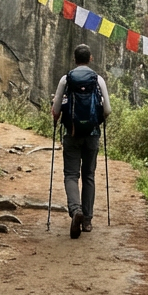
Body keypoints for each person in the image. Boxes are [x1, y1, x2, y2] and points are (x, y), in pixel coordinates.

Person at [51, 44, 111, 238]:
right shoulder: (98, 79)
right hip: (92, 135)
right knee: (89, 176)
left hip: (72, 133)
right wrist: (97, 121)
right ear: (90, 58)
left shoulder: (66, 79)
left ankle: (76, 210)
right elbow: (107, 110)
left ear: (74, 59)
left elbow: (56, 109)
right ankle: (87, 220)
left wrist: (56, 119)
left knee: (71, 175)